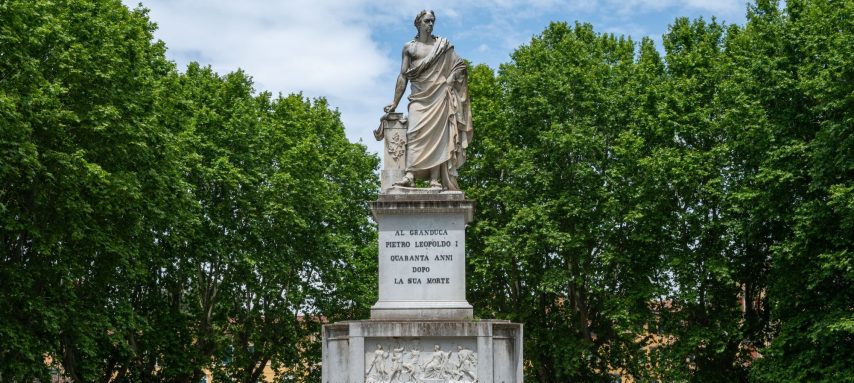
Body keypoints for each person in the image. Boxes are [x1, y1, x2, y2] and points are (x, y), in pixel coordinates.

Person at [385, 10, 473, 191]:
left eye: (432, 21)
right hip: (419, 96)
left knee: (438, 137)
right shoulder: (410, 48)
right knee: (413, 132)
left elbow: (460, 65)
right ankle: (410, 175)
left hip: (440, 96)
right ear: (418, 23)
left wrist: (450, 80)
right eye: (427, 21)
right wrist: (395, 102)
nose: (430, 24)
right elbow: (403, 76)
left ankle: (435, 179)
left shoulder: (442, 46)